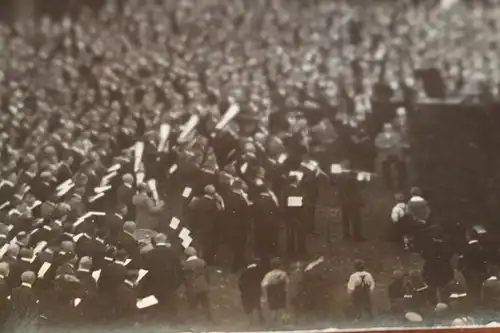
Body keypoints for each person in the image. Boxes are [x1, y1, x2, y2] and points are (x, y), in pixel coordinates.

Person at [182, 247, 211, 321]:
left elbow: (183, 277)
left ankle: (190, 320)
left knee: (192, 304)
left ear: (186, 255)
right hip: (202, 286)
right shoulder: (202, 262)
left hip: (192, 287)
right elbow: (207, 274)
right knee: (206, 304)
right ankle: (210, 319)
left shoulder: (185, 264)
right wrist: (207, 283)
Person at [375, 123, 405, 191]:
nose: (388, 129)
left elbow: (398, 142)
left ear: (392, 128)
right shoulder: (380, 136)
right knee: (386, 171)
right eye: (386, 128)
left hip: (395, 155)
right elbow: (377, 143)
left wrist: (390, 145)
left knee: (401, 169)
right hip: (384, 156)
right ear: (383, 128)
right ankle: (388, 186)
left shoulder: (396, 135)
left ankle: (401, 186)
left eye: (389, 128)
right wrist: (385, 146)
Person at [261, 258, 289, 327]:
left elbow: (264, 285)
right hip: (281, 293)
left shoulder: (269, 274)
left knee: (273, 309)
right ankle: (280, 324)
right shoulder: (283, 273)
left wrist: (265, 296)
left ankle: (273, 324)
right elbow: (287, 283)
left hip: (271, 294)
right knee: (280, 309)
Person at [239, 258, 266, 325]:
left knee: (249, 307)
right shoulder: (258, 271)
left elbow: (240, 282)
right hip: (256, 291)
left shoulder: (244, 272)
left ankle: (250, 322)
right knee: (258, 306)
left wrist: (242, 291)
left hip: (247, 292)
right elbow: (262, 281)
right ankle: (261, 320)